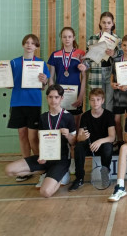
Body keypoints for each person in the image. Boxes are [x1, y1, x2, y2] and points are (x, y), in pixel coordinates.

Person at [0, 34, 50, 182]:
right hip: (17, 103)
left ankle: (41, 167)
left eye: (32, 43)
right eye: (27, 42)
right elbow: (9, 84)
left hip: (34, 103)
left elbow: (43, 87)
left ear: (36, 46)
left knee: (33, 137)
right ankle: (27, 169)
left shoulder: (41, 63)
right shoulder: (14, 62)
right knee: (22, 135)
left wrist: (44, 81)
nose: (29, 45)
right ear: (23, 45)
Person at [5, 85, 76, 198]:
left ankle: (61, 176)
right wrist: (42, 156)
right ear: (47, 98)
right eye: (50, 97)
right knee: (9, 170)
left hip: (61, 160)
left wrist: (68, 135)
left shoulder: (68, 117)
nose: (53, 100)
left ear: (61, 98)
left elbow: (74, 143)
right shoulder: (43, 117)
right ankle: (45, 171)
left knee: (45, 192)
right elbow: (42, 140)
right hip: (46, 158)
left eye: (56, 97)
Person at [48, 26, 86, 174]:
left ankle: (74, 161)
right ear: (61, 38)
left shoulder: (80, 54)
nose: (67, 39)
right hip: (60, 98)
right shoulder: (55, 55)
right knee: (59, 127)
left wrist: (81, 96)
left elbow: (84, 78)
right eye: (64, 36)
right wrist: (54, 96)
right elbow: (51, 77)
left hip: (74, 97)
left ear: (74, 37)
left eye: (70, 36)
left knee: (74, 129)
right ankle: (61, 161)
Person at [69, 88, 115, 191]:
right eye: (92, 100)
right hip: (89, 145)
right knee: (79, 147)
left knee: (108, 147)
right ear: (89, 101)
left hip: (102, 145)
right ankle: (79, 177)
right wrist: (83, 137)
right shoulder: (85, 116)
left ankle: (105, 174)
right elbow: (79, 137)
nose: (95, 102)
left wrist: (99, 141)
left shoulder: (108, 115)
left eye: (98, 99)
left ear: (103, 101)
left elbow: (112, 137)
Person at [78, 11, 122, 112]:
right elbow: (88, 58)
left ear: (112, 24)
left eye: (109, 22)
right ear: (100, 23)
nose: (106, 25)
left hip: (111, 73)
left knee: (109, 101)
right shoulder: (93, 39)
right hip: (96, 72)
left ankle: (108, 122)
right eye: (104, 22)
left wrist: (114, 54)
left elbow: (121, 57)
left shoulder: (118, 39)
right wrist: (85, 66)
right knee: (96, 101)